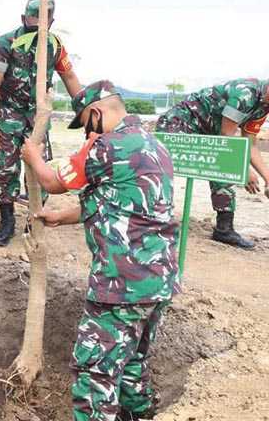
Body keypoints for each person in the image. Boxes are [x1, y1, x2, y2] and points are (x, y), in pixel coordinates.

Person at [22, 81, 180, 421]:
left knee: (95, 373)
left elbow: (51, 181)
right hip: (159, 280)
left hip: (122, 283)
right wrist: (61, 217)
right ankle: (140, 416)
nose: (86, 133)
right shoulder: (154, 145)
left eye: (86, 124)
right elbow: (121, 203)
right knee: (133, 361)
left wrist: (32, 156)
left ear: (97, 113)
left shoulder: (108, 147)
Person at [0, 0, 82, 247]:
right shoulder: (6, 43)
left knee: (44, 171)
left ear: (52, 20)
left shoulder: (54, 45)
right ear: (23, 18)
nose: (38, 23)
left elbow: (69, 77)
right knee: (6, 171)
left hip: (37, 118)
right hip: (9, 115)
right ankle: (6, 221)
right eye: (33, 17)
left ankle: (34, 220)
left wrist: (85, 109)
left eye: (44, 18)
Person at [156, 78, 269, 249]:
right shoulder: (246, 93)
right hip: (180, 123)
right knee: (161, 167)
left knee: (222, 169)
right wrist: (244, 169)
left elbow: (250, 143)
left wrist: (267, 178)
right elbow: (227, 135)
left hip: (211, 131)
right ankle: (153, 215)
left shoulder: (263, 107)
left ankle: (224, 230)